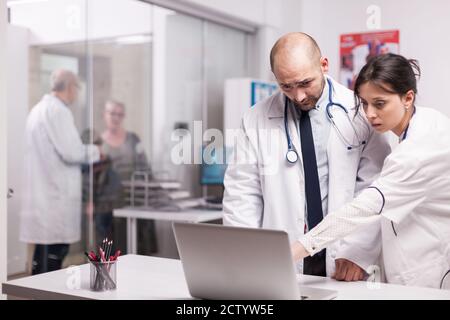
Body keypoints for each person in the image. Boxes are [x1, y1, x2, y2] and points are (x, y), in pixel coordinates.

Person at [223, 32, 391, 280]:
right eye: (286, 86)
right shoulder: (255, 118)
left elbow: (374, 188)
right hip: (280, 260)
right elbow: (242, 194)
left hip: (345, 257)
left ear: (324, 65)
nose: (298, 95)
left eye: (305, 83)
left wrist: (358, 252)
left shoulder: (359, 110)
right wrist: (244, 257)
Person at [292, 53, 450, 289]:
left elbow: (364, 208)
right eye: (364, 103)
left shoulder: (420, 147)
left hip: (430, 275)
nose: (370, 114)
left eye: (380, 103)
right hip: (415, 268)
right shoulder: (424, 125)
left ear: (408, 98)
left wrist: (292, 251)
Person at [20, 69, 100, 275]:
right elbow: (72, 152)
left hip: (45, 194)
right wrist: (97, 151)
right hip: (55, 197)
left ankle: (36, 294)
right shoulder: (58, 111)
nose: (77, 93)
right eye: (78, 88)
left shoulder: (38, 109)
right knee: (54, 254)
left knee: (43, 253)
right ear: (71, 87)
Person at [101, 100, 157, 255]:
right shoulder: (99, 143)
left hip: (134, 200)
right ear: (104, 115)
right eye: (112, 113)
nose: (115, 118)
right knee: (112, 250)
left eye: (119, 114)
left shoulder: (133, 139)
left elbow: (145, 167)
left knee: (137, 248)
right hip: (108, 205)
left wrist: (152, 195)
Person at [81, 130, 122, 246]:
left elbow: (94, 185)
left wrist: (90, 202)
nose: (96, 149)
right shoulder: (96, 164)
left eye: (97, 145)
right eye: (94, 145)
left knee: (104, 238)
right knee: (102, 238)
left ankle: (105, 262)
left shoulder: (102, 164)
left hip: (104, 206)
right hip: (101, 206)